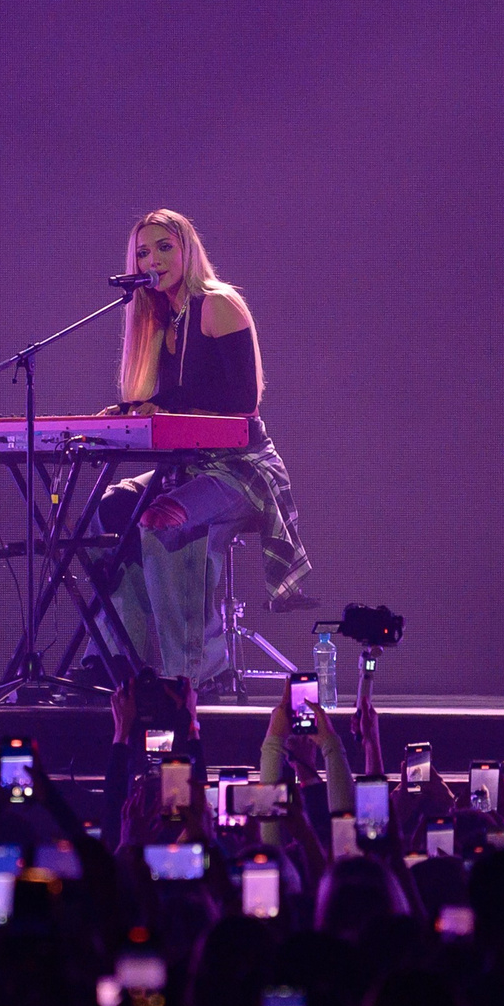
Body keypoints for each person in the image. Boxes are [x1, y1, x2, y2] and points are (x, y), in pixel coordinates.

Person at [94, 208, 312, 685]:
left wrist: (164, 413)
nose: (154, 259)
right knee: (105, 513)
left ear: (188, 249)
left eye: (164, 247)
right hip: (191, 468)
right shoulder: (157, 320)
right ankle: (116, 665)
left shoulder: (216, 303)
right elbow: (179, 397)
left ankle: (195, 673)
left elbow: (242, 401)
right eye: (143, 252)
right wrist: (137, 408)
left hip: (241, 469)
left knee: (162, 518)